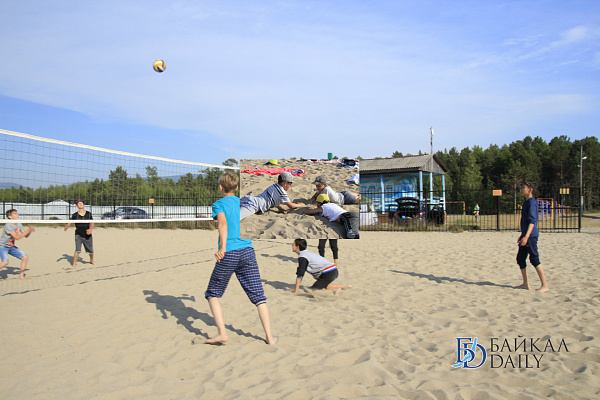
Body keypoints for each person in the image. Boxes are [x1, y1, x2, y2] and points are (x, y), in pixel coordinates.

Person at [204, 172, 277, 345]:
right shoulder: (243, 201)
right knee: (259, 297)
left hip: (229, 252)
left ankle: (222, 333)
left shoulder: (218, 204)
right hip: (248, 251)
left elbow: (222, 223)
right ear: (237, 188)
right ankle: (270, 337)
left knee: (212, 294)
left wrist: (222, 247)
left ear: (221, 188)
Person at [516, 181, 549, 292]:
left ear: (530, 189)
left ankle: (544, 285)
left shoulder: (532, 203)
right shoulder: (526, 203)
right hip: (526, 235)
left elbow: (532, 221)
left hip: (531, 236)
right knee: (520, 259)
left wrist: (526, 236)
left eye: (523, 187)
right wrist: (522, 235)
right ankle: (525, 283)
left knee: (534, 259)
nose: (521, 189)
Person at [0, 209, 35, 279]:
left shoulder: (18, 223)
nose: (17, 215)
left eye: (17, 213)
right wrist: (28, 230)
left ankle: (21, 276)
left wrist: (29, 231)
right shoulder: (8, 225)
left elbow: (25, 235)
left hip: (11, 246)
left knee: (25, 257)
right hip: (3, 246)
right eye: (15, 214)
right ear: (10, 217)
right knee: (5, 262)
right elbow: (17, 237)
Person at [64, 200, 95, 268]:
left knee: (90, 250)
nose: (80, 204)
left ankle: (91, 260)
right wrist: (67, 226)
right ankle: (74, 264)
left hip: (87, 234)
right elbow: (70, 222)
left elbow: (92, 222)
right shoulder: (75, 215)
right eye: (79, 203)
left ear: (83, 205)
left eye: (81, 203)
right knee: (77, 250)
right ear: (77, 206)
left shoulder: (88, 213)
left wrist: (90, 229)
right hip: (78, 234)